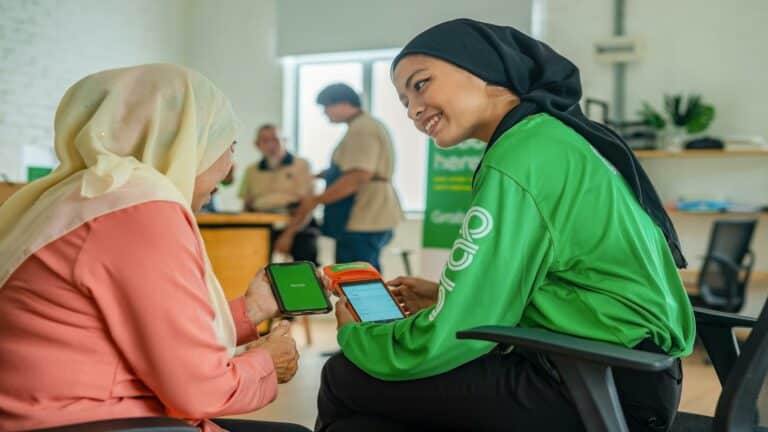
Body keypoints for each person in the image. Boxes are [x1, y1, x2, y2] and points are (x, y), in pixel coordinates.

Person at [315, 19, 694, 432]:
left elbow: (453, 333)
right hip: (628, 373)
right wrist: (448, 297)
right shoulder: (550, 137)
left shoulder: (519, 157)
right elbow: (568, 286)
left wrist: (359, 336)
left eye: (420, 85)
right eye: (404, 100)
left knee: (345, 375)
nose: (412, 110)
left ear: (485, 68)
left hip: (593, 382)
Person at [0, 64, 309, 432]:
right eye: (228, 145)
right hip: (96, 419)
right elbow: (200, 391)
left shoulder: (85, 195)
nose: (228, 169)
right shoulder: (141, 211)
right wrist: (266, 363)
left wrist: (253, 308)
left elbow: (157, 331)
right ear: (184, 142)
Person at [275, 84, 402, 272]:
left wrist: (316, 200)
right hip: (371, 215)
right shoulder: (364, 126)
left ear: (343, 104)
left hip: (364, 216)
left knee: (356, 277)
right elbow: (353, 168)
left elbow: (357, 176)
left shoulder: (362, 130)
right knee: (360, 275)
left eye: (327, 107)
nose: (325, 113)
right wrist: (321, 175)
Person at [240, 124, 319, 264]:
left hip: (297, 225)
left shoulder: (302, 165)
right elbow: (247, 205)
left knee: (305, 258)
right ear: (257, 144)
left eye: (275, 140)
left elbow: (308, 204)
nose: (271, 145)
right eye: (265, 140)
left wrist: (288, 235)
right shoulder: (251, 171)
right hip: (263, 225)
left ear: (285, 141)